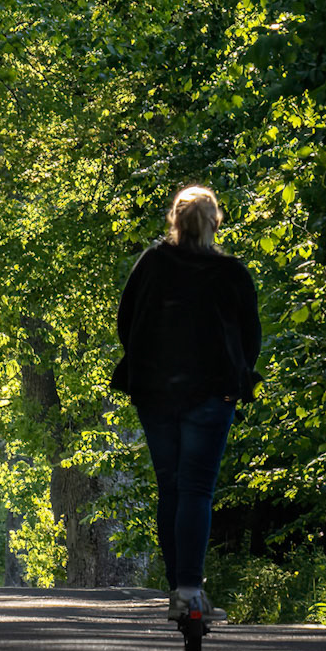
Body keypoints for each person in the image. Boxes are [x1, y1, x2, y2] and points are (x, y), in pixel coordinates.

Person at [112, 184, 261, 625]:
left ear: (173, 222)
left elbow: (126, 321)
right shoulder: (231, 272)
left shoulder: (152, 264)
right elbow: (250, 336)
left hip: (156, 392)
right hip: (213, 394)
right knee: (196, 489)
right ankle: (191, 591)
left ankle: (180, 592)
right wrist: (238, 372)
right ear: (215, 222)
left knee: (171, 488)